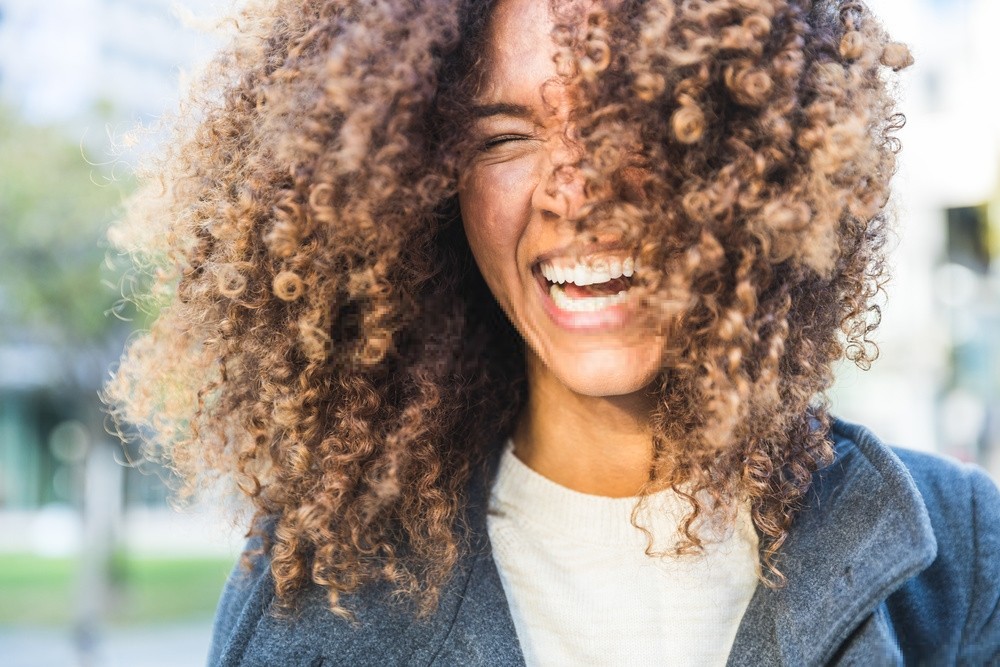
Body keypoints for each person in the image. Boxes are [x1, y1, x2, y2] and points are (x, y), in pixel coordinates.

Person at [105, 0, 1000, 664]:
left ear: (752, 147)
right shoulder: (313, 590)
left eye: (634, 121)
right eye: (503, 137)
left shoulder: (962, 558)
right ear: (422, 186)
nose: (575, 192)